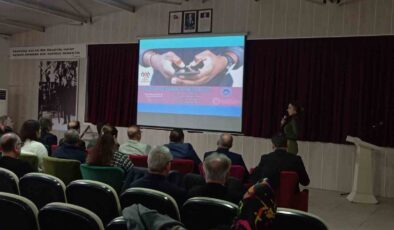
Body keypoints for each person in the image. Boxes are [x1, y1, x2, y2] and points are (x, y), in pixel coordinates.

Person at [140, 47, 244, 86]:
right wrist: (154, 60)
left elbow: (240, 47)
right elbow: (141, 47)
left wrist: (224, 61)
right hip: (161, 91)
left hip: (217, 90)